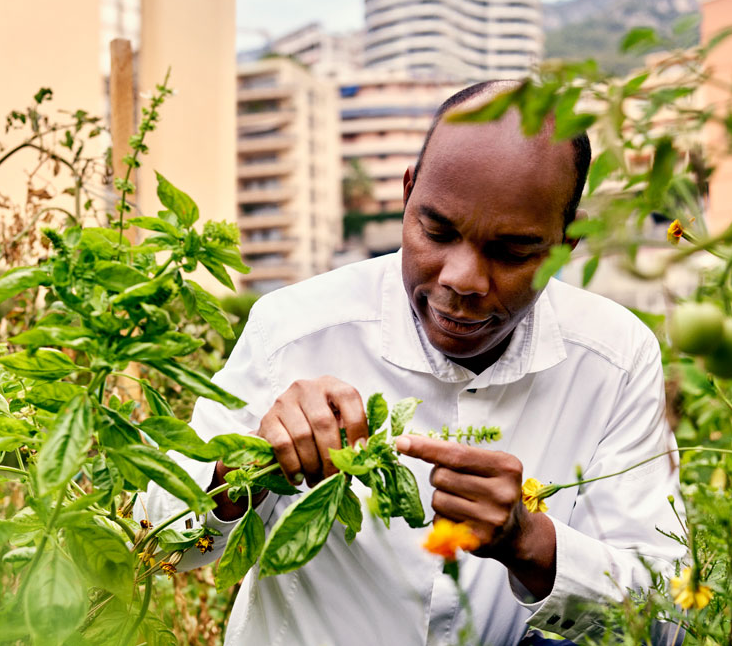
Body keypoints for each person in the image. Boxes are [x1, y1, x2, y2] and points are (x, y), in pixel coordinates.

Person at [142, 80, 687, 646]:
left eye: (513, 252)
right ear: (407, 195)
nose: (462, 280)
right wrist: (241, 470)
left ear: (566, 243)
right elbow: (155, 543)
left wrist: (532, 544)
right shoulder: (294, 328)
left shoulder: (615, 359)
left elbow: (668, 616)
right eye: (437, 231)